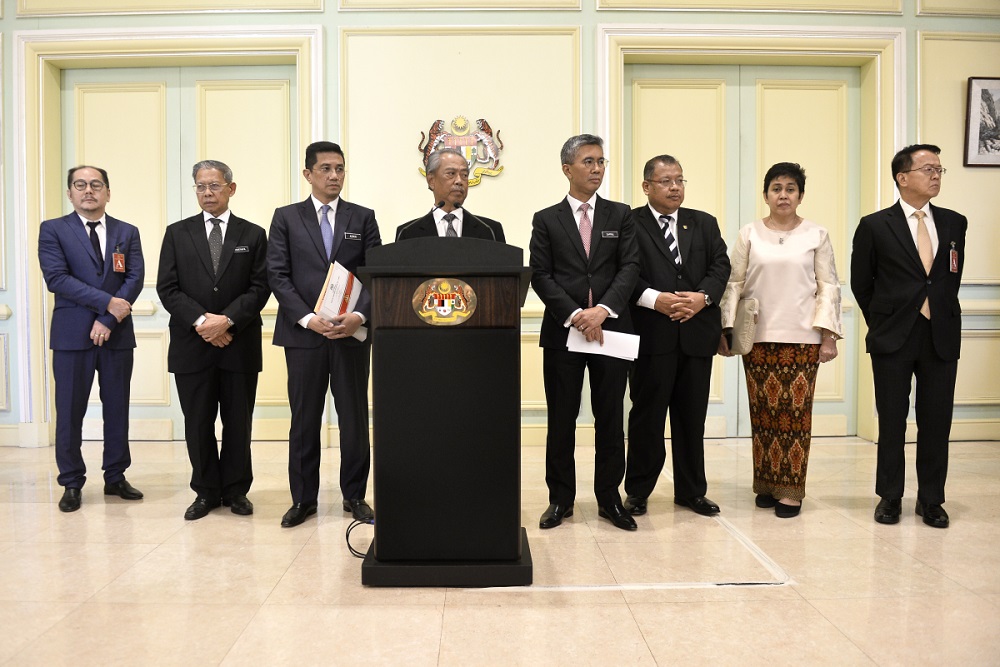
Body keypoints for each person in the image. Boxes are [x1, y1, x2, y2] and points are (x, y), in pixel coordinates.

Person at [267, 141, 382, 528]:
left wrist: (359, 316)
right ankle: (303, 499)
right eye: (326, 169)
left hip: (349, 334)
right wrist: (307, 317)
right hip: (304, 336)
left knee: (352, 418)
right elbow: (277, 275)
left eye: (340, 169)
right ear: (308, 174)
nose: (334, 176)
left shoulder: (362, 218)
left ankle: (355, 496)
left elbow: (374, 274)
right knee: (304, 420)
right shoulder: (286, 217)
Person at [851, 144, 966, 529]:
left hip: (941, 335)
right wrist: (883, 321)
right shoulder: (875, 225)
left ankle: (931, 499)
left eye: (939, 169)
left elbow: (949, 277)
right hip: (893, 337)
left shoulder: (954, 223)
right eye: (927, 169)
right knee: (893, 422)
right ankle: (890, 496)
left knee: (937, 421)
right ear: (903, 178)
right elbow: (861, 283)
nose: (935, 175)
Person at [529, 134, 640, 531]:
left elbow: (630, 267)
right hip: (564, 334)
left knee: (611, 418)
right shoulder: (546, 219)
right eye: (588, 161)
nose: (597, 168)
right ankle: (560, 499)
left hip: (611, 331)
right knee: (562, 419)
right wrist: (577, 314)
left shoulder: (620, 214)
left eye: (601, 161)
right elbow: (540, 275)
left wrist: (602, 311)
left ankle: (610, 499)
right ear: (567, 169)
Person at [718, 162, 841, 518]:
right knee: (764, 415)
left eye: (790, 188)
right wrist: (726, 330)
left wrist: (828, 338)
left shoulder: (816, 234)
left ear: (800, 195)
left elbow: (828, 285)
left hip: (802, 339)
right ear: (766, 194)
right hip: (756, 338)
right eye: (776, 188)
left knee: (795, 418)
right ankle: (768, 484)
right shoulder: (749, 233)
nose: (783, 194)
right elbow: (734, 284)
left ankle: (791, 491)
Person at [156, 160, 270, 521]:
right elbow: (167, 288)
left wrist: (227, 321)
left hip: (239, 343)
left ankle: (236, 490)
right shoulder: (177, 233)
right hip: (193, 345)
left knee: (239, 422)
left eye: (215, 186)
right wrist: (205, 322)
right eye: (201, 187)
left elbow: (261, 286)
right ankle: (205, 492)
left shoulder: (252, 235)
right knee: (199, 423)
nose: (207, 193)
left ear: (230, 189)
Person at [625, 155, 730, 518]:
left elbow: (721, 265)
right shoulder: (630, 223)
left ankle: (691, 491)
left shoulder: (702, 223)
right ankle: (637, 491)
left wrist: (702, 298)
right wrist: (655, 300)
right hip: (652, 336)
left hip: (696, 335)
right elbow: (624, 273)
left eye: (680, 180)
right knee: (647, 419)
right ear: (647, 187)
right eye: (666, 181)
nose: (675, 187)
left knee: (691, 419)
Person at [38, 165, 145, 512]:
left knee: (117, 408)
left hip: (115, 335)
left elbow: (135, 277)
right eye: (80, 185)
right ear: (70, 193)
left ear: (108, 193)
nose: (88, 191)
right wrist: (107, 304)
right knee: (70, 412)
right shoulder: (53, 230)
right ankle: (71, 481)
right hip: (71, 337)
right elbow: (57, 278)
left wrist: (108, 318)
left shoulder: (127, 232)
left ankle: (115, 476)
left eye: (96, 185)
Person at [395, 147, 505, 242]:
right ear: (431, 180)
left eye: (464, 175)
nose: (459, 181)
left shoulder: (490, 231)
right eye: (451, 174)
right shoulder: (407, 233)